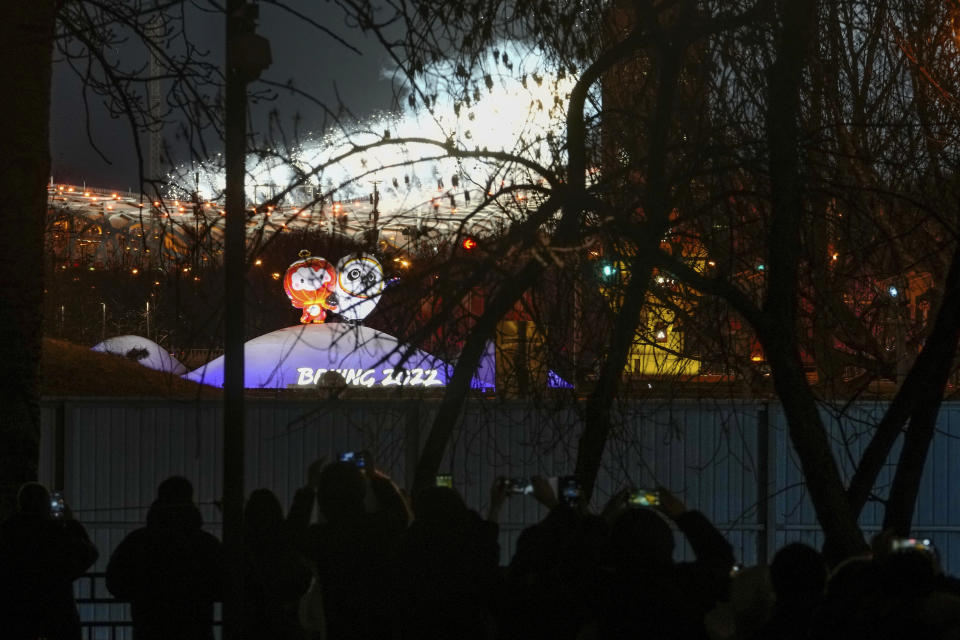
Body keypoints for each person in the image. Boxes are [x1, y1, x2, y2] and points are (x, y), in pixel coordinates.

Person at [599, 486, 735, 640]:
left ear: (614, 548)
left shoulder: (605, 591)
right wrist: (681, 515)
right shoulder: (686, 586)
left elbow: (578, 561)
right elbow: (720, 557)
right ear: (669, 543)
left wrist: (603, 521)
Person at [296, 460, 410, 640]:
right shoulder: (377, 528)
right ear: (361, 491)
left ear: (323, 499)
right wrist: (375, 477)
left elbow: (293, 536)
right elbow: (401, 515)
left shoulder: (321, 538)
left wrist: (309, 488)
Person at [105, 476, 226, 640]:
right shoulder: (205, 543)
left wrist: (145, 593)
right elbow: (224, 584)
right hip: (196, 628)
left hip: (149, 628)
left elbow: (115, 583)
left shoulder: (139, 541)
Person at [394, 481, 503, 640]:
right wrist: (495, 506)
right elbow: (488, 546)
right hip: (469, 626)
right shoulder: (471, 541)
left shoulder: (412, 545)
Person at [0, 482, 99, 640]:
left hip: (16, 613)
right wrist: (71, 522)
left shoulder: (7, 531)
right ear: (46, 504)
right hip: (56, 612)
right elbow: (88, 554)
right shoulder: (55, 531)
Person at [242, 488, 312, 639]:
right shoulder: (286, 538)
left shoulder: (244, 545)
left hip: (253, 622)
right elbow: (300, 515)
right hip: (287, 620)